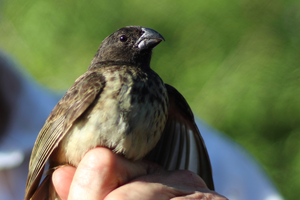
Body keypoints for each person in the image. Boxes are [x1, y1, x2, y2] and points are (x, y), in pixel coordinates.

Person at [0, 51, 283, 200]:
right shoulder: (95, 83)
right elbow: (50, 139)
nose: (145, 39)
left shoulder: (222, 155)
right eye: (126, 38)